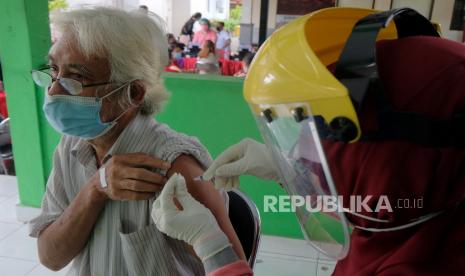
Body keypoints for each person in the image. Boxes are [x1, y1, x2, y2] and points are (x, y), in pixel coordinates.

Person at [152, 7, 465, 276]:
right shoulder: (411, 216)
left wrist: (213, 247)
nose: (302, 149)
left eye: (329, 128)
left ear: (403, 156)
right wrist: (292, 177)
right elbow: (376, 202)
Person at [28, 7, 245, 275]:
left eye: (78, 77)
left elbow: (234, 270)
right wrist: (96, 188)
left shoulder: (173, 165)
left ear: (133, 93)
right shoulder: (71, 146)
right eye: (53, 69)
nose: (54, 88)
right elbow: (51, 257)